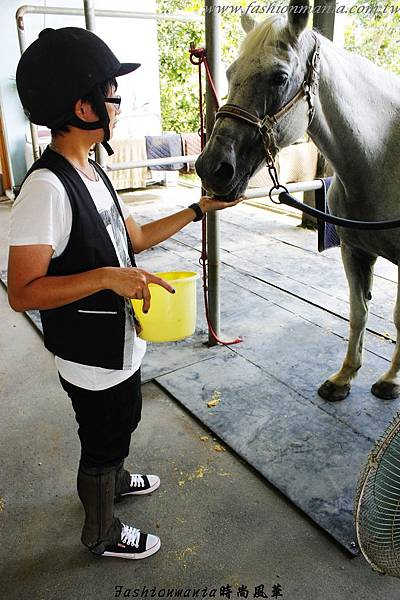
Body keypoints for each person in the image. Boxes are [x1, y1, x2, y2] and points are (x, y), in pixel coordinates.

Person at [8, 27, 241, 561]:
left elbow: (132, 239)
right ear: (81, 105)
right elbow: (22, 291)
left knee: (123, 420)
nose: (118, 103)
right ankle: (100, 532)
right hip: (90, 354)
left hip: (120, 342)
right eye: (111, 92)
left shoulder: (94, 169)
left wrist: (197, 209)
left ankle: (115, 478)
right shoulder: (46, 188)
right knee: (102, 438)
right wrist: (109, 278)